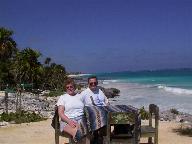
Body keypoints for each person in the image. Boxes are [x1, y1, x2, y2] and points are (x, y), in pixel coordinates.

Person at [57, 78, 88, 144]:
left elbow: (86, 108)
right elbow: (60, 113)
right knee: (78, 132)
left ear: (74, 87)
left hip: (81, 119)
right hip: (67, 120)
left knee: (85, 132)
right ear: (65, 88)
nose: (69, 88)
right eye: (67, 87)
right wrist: (69, 121)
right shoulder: (63, 97)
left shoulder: (80, 96)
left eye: (71, 86)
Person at [81, 76, 109, 144]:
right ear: (88, 84)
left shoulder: (99, 91)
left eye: (95, 83)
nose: (93, 84)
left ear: (97, 83)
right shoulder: (84, 93)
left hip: (103, 111)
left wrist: (107, 104)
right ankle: (97, 137)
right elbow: (79, 104)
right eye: (91, 83)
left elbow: (106, 100)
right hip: (93, 115)